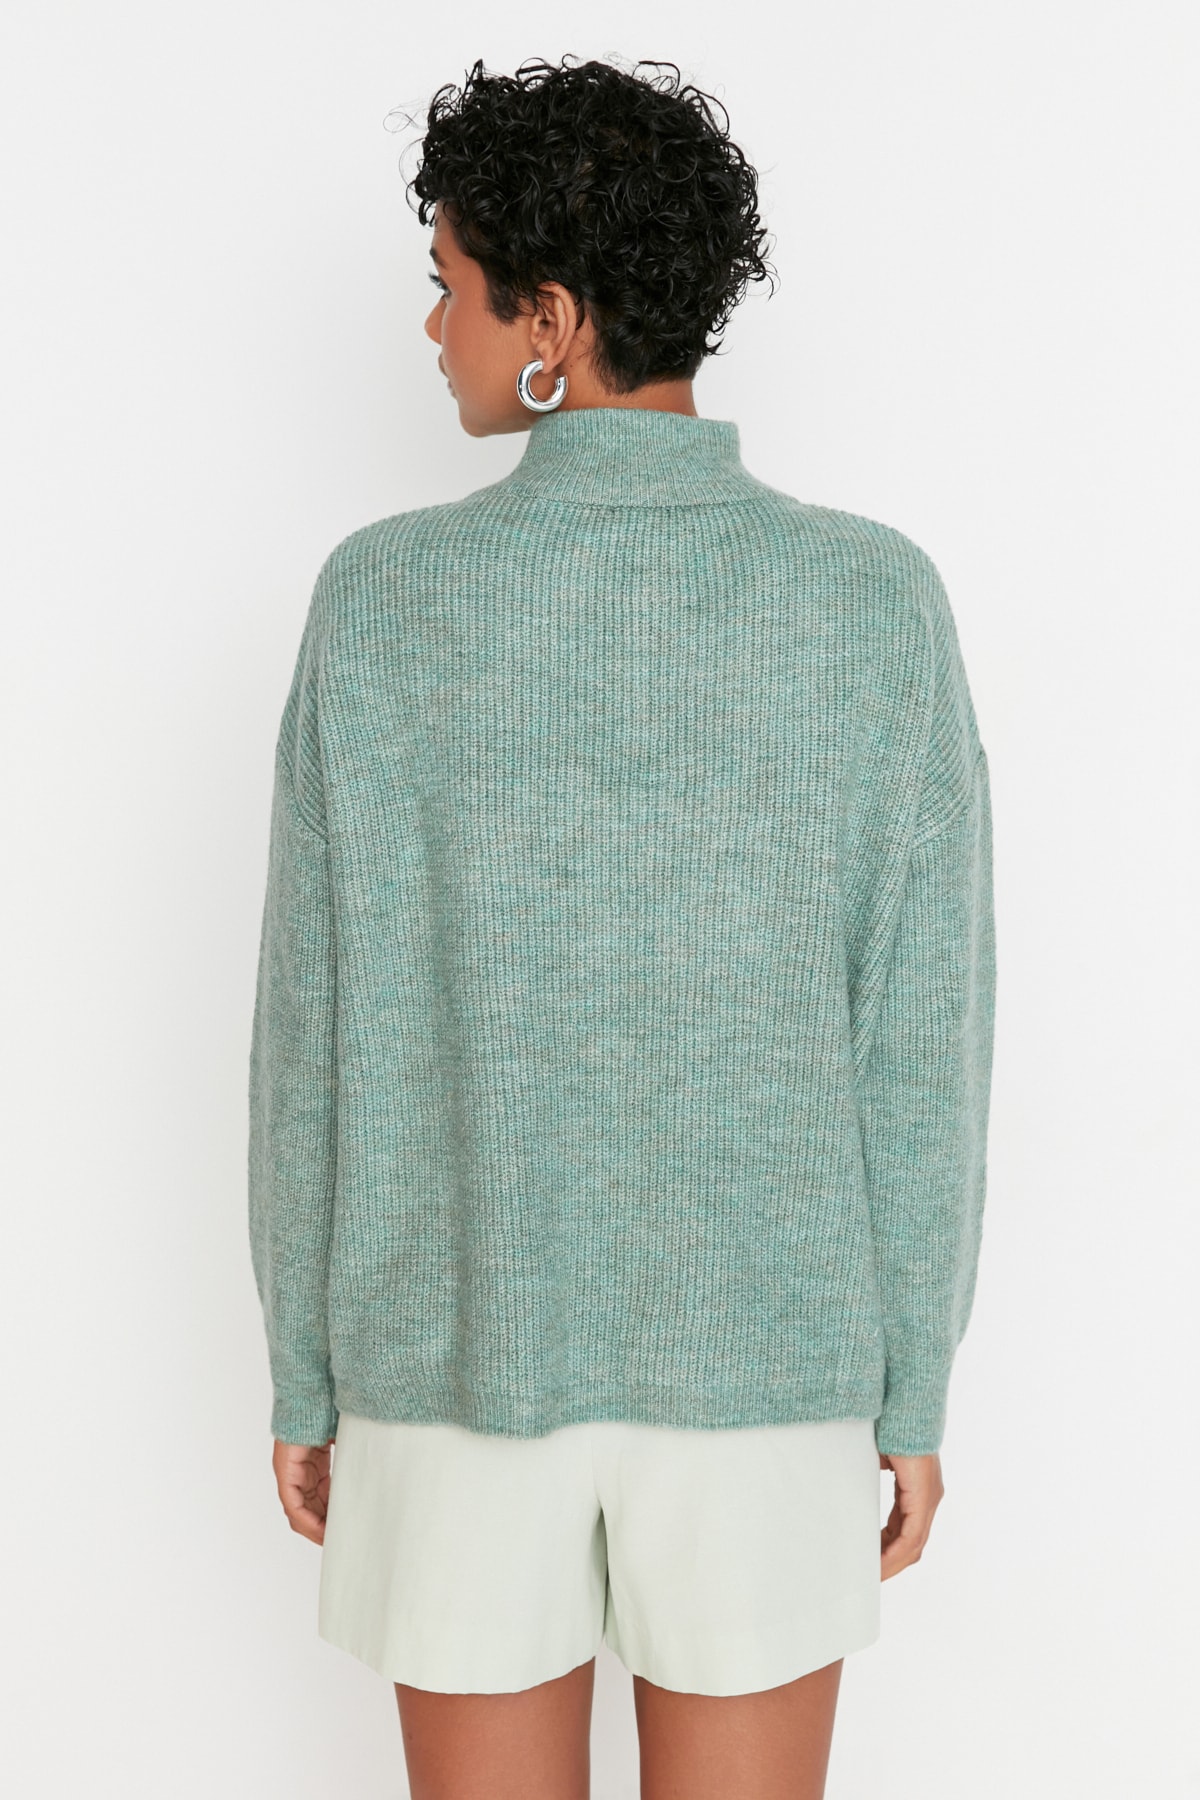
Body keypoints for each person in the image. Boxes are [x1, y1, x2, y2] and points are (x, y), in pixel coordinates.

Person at [247, 53, 997, 1800]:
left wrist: (304, 1368)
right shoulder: (873, 602)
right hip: (769, 1380)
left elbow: (311, 1032)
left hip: (451, 1371)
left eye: (450, 282)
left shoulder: (383, 603)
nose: (431, 325)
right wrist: (910, 1391)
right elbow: (922, 1042)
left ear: (552, 320)